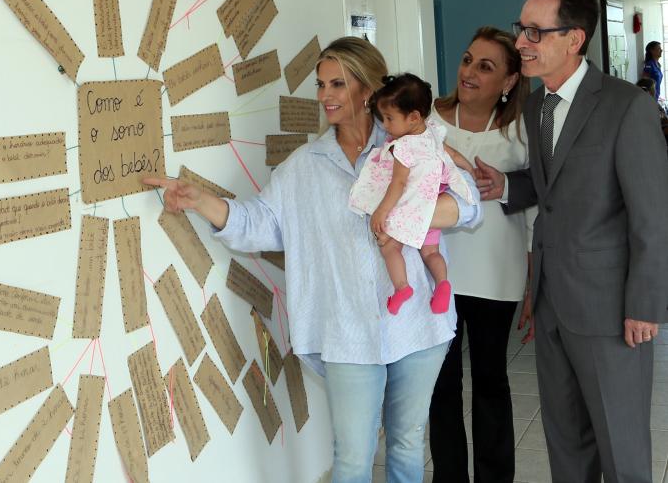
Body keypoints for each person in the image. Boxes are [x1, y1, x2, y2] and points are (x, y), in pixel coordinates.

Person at [144, 36, 482, 483]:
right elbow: (259, 223)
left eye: (337, 84)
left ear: (367, 89)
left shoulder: (412, 146)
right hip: (347, 332)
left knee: (406, 443)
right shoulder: (304, 166)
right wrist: (200, 201)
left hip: (417, 323)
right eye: (321, 84)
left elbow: (468, 204)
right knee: (352, 459)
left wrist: (406, 212)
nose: (325, 95)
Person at [476, 0, 668, 482]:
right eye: (521, 29)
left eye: (534, 32)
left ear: (574, 39)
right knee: (565, 442)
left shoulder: (627, 107)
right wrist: (506, 185)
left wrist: (645, 305)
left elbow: (653, 214)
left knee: (621, 448)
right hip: (552, 302)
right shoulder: (536, 104)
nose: (521, 42)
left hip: (611, 311)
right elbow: (556, 187)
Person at [428, 26, 534, 483]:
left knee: (491, 382)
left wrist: (533, 277)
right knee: (441, 384)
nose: (469, 71)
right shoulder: (427, 120)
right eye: (468, 59)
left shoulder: (520, 130)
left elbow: (538, 204)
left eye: (485, 66)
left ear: (509, 81)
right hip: (436, 274)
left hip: (497, 274)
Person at [349, 73, 474, 316]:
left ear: (414, 117)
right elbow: (453, 156)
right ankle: (442, 283)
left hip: (412, 208)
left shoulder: (403, 146)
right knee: (431, 252)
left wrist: (382, 211)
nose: (385, 125)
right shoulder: (432, 133)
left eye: (389, 118)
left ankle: (402, 287)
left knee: (389, 248)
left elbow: (398, 183)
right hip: (432, 204)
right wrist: (471, 170)